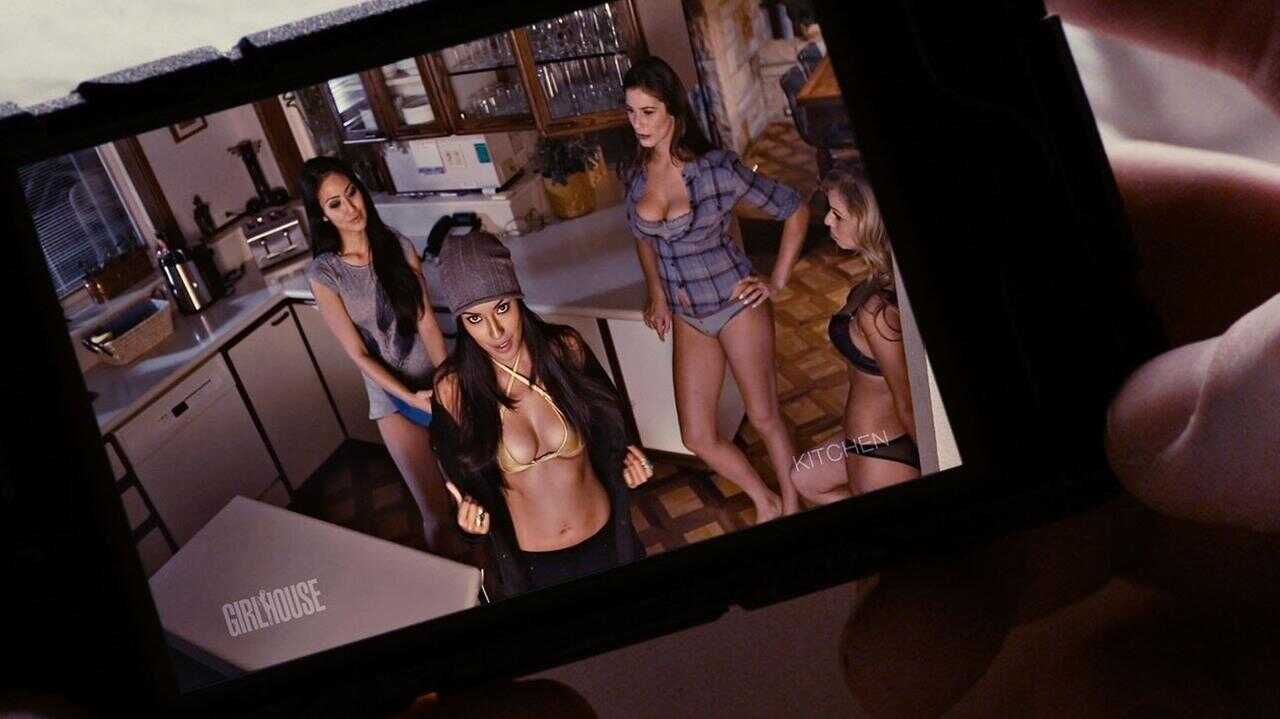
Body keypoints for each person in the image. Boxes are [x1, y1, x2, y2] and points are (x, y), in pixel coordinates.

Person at [621, 55, 811, 522]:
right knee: (697, 436)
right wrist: (657, 293)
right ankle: (765, 500)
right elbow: (643, 237)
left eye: (648, 112)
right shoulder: (635, 174)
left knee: (764, 417)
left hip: (735, 303)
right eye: (631, 112)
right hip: (688, 315)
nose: (637, 123)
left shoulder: (717, 169)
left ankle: (792, 507)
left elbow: (794, 207)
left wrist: (776, 279)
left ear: (673, 111)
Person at [429, 231, 654, 599]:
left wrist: (633, 468)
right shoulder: (454, 390)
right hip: (535, 569)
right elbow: (463, 490)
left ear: (518, 298)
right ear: (461, 322)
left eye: (502, 308)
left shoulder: (565, 351)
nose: (495, 331)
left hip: (609, 542)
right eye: (474, 318)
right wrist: (469, 525)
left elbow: (615, 433)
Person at [300, 156, 460, 557]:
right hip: (392, 399)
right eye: (335, 204)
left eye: (351, 193)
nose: (350, 208)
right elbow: (357, 353)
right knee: (435, 515)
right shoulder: (325, 275)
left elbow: (426, 322)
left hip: (437, 383)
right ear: (322, 215)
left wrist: (446, 378)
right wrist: (411, 399)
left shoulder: (398, 245)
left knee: (471, 492)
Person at [791, 166, 919, 504]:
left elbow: (907, 403)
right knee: (804, 477)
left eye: (838, 215)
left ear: (868, 221)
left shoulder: (878, 312)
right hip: (861, 437)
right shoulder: (876, 280)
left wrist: (941, 464)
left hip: (883, 446)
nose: (827, 221)